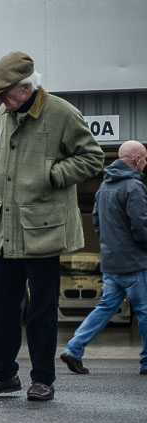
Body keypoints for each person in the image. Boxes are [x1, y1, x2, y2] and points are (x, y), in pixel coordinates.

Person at [0, 51, 104, 402]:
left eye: (3, 93)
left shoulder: (62, 113)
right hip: (7, 228)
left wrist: (52, 175)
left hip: (42, 230)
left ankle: (43, 379)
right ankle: (3, 375)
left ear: (25, 87)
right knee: (1, 308)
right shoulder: (3, 114)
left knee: (41, 310)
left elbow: (91, 157)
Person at [60, 141, 147, 376]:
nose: (145, 163)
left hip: (110, 262)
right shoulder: (134, 187)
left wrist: (111, 246)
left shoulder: (103, 188)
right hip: (134, 263)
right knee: (144, 311)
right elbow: (141, 226)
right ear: (137, 159)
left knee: (105, 307)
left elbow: (97, 223)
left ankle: (74, 348)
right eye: (145, 159)